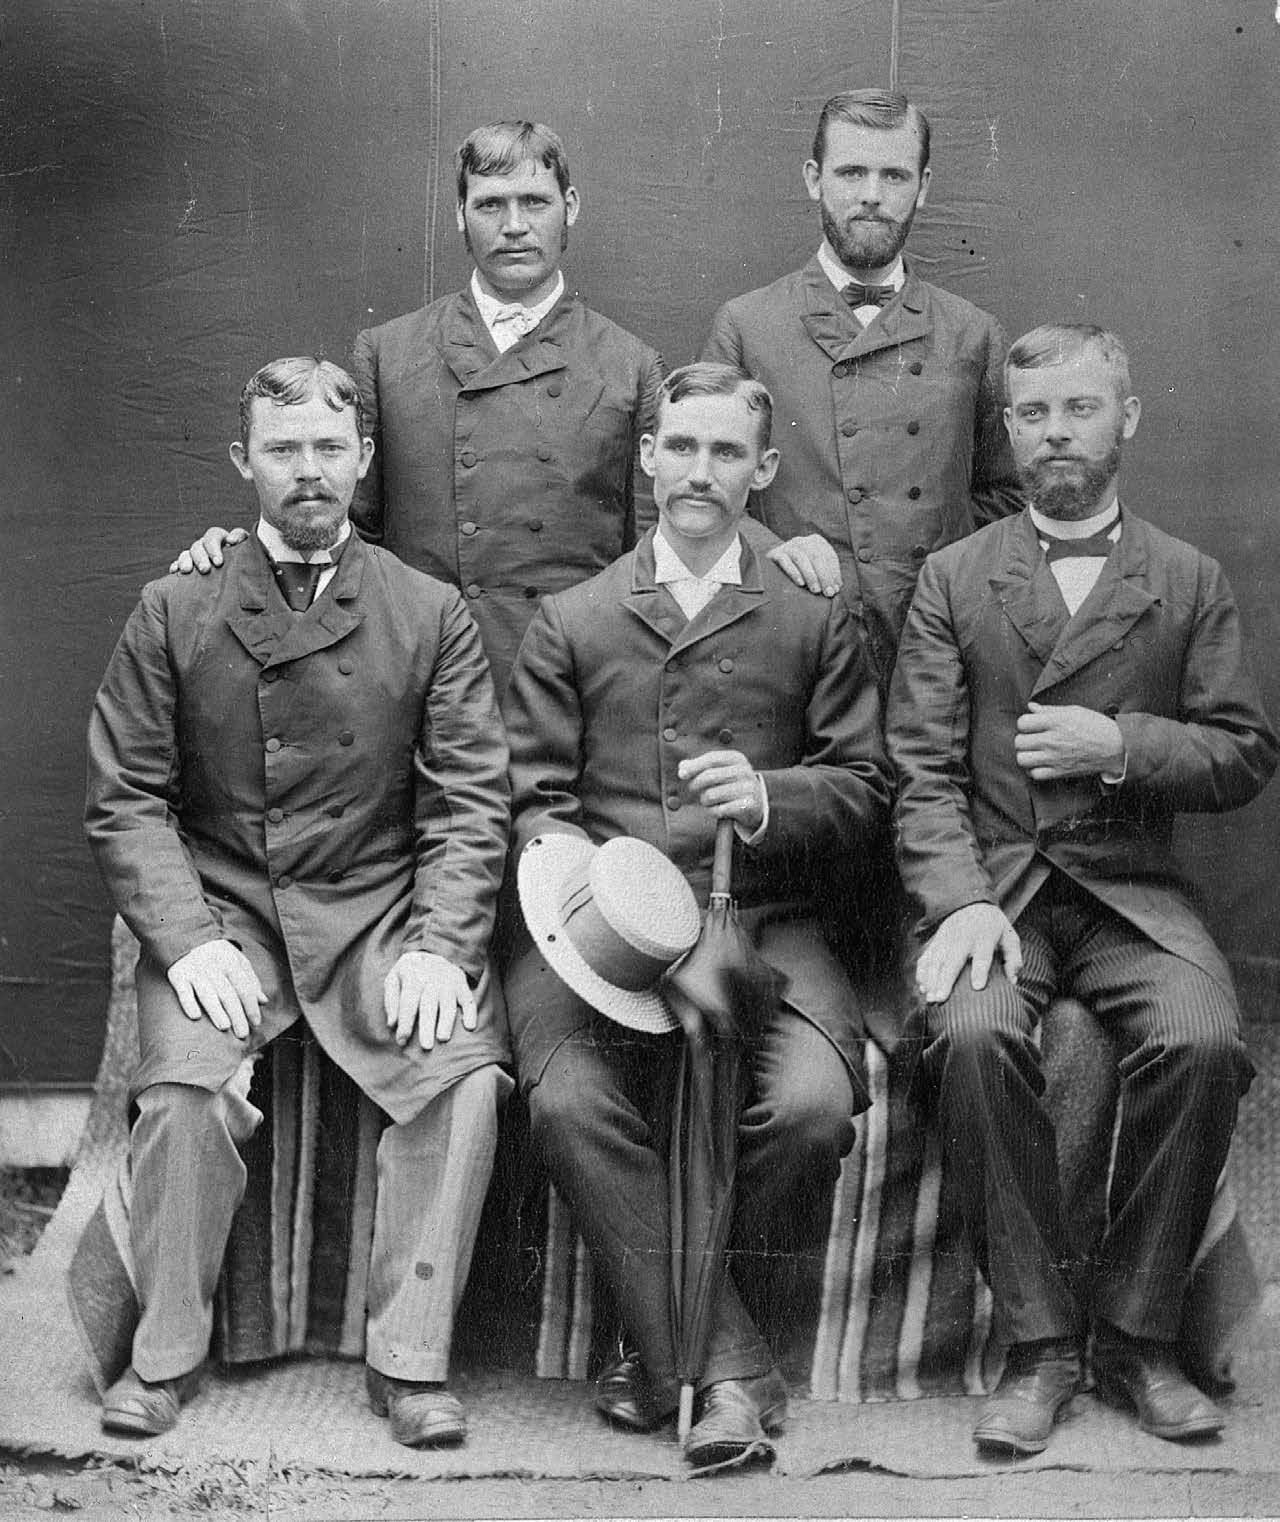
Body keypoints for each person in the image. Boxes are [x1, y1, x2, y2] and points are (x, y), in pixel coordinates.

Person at [83, 358, 512, 1446]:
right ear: (243, 463)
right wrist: (182, 941)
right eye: (282, 450)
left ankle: (409, 1361)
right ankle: (164, 1353)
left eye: (329, 448)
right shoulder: (176, 605)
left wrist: (442, 941)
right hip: (230, 912)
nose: (307, 472)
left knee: (461, 1077)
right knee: (183, 1085)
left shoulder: (428, 611)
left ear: (364, 459)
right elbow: (127, 796)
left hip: (376, 912)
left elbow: (470, 802)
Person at [885, 323, 1277, 1457]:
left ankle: (1137, 1336)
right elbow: (916, 767)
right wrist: (957, 899)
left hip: (1127, 896)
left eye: (1078, 410)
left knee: (1200, 1037)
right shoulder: (954, 578)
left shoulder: (1184, 576)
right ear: (1006, 429)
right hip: (996, 893)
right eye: (1032, 414)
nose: (1054, 434)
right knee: (967, 1033)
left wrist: (1120, 741)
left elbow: (1243, 752)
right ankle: (1038, 1342)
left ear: (1127, 419)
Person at [501, 362, 892, 1466]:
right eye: (681, 447)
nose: (699, 472)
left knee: (813, 1105)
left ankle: (652, 1341)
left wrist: (772, 797)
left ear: (763, 471)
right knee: (569, 1104)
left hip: (761, 927)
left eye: (726, 453)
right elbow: (531, 800)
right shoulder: (571, 621)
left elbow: (866, 788)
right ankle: (724, 1368)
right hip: (596, 939)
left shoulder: (811, 617)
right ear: (646, 457)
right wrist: (604, 889)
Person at [174, 121, 665, 697]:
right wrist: (243, 549)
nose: (514, 226)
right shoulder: (388, 353)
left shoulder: (630, 366)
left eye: (535, 201)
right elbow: (339, 528)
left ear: (570, 207)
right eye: (489, 205)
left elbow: (649, 558)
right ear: (459, 214)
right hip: (422, 674)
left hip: (569, 681)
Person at [702, 87, 1023, 692]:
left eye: (894, 175)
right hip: (794, 638)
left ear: (923, 187)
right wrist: (776, 550)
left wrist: (942, 578)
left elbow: (1006, 499)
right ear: (813, 179)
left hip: (934, 649)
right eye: (851, 172)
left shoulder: (974, 335)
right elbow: (706, 492)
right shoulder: (745, 328)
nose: (872, 195)